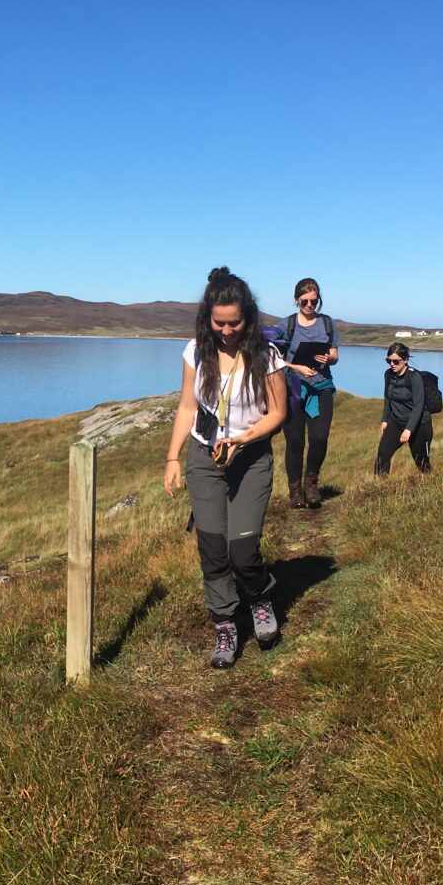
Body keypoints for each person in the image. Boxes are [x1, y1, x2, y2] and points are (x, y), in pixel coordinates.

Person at [164, 267, 288, 669]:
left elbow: (278, 414)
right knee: (213, 548)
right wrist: (172, 458)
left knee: (242, 550)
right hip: (205, 458)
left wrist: (241, 441)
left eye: (235, 322)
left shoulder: (265, 356)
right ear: (208, 318)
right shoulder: (194, 353)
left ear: (248, 317)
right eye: (220, 322)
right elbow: (187, 406)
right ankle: (224, 624)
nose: (228, 330)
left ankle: (259, 596)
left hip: (250, 458)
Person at [277, 277, 339, 509]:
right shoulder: (286, 325)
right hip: (293, 389)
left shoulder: (327, 324)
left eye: (314, 301)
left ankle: (311, 484)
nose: (310, 305)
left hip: (322, 387)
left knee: (319, 438)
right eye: (305, 301)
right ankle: (295, 490)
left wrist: (328, 358)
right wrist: (296, 367)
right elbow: (273, 358)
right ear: (297, 301)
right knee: (294, 442)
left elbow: (335, 356)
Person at [377, 342, 432, 474]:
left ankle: (431, 485)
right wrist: (385, 419)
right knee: (382, 454)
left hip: (419, 425)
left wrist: (409, 429)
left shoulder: (414, 377)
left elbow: (419, 406)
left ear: (405, 360)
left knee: (421, 462)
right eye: (388, 361)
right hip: (397, 421)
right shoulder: (388, 375)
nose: (392, 364)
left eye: (396, 361)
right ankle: (379, 488)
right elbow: (387, 398)